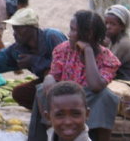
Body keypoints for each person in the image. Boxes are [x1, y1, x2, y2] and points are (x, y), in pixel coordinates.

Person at [28, 10, 120, 141]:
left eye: (73, 30)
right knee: (42, 89)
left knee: (107, 96)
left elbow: (95, 86)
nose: (69, 34)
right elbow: (54, 74)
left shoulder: (108, 59)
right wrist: (49, 79)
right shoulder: (62, 50)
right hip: (63, 98)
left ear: (88, 34)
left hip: (89, 102)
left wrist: (88, 51)